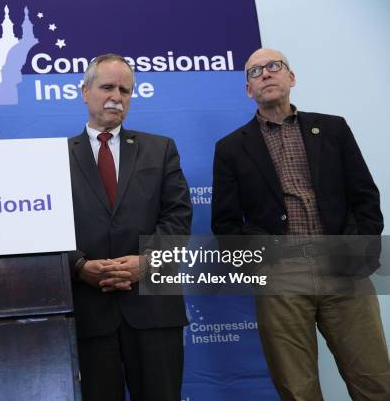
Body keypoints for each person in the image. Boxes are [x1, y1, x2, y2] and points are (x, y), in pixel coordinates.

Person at [212, 48, 390, 400]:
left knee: (375, 380)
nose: (265, 74)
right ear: (249, 90)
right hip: (281, 276)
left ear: (291, 78)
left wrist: (358, 254)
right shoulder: (231, 148)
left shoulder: (333, 129)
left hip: (343, 268)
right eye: (254, 72)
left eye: (273, 67)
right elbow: (226, 225)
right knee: (297, 389)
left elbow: (365, 198)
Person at [68, 54, 192, 401]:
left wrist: (146, 262)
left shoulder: (161, 149)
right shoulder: (55, 157)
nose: (116, 96)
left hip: (154, 311)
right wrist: (79, 266)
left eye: (125, 90)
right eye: (107, 86)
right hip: (90, 314)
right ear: (85, 91)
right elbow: (48, 230)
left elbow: (178, 218)